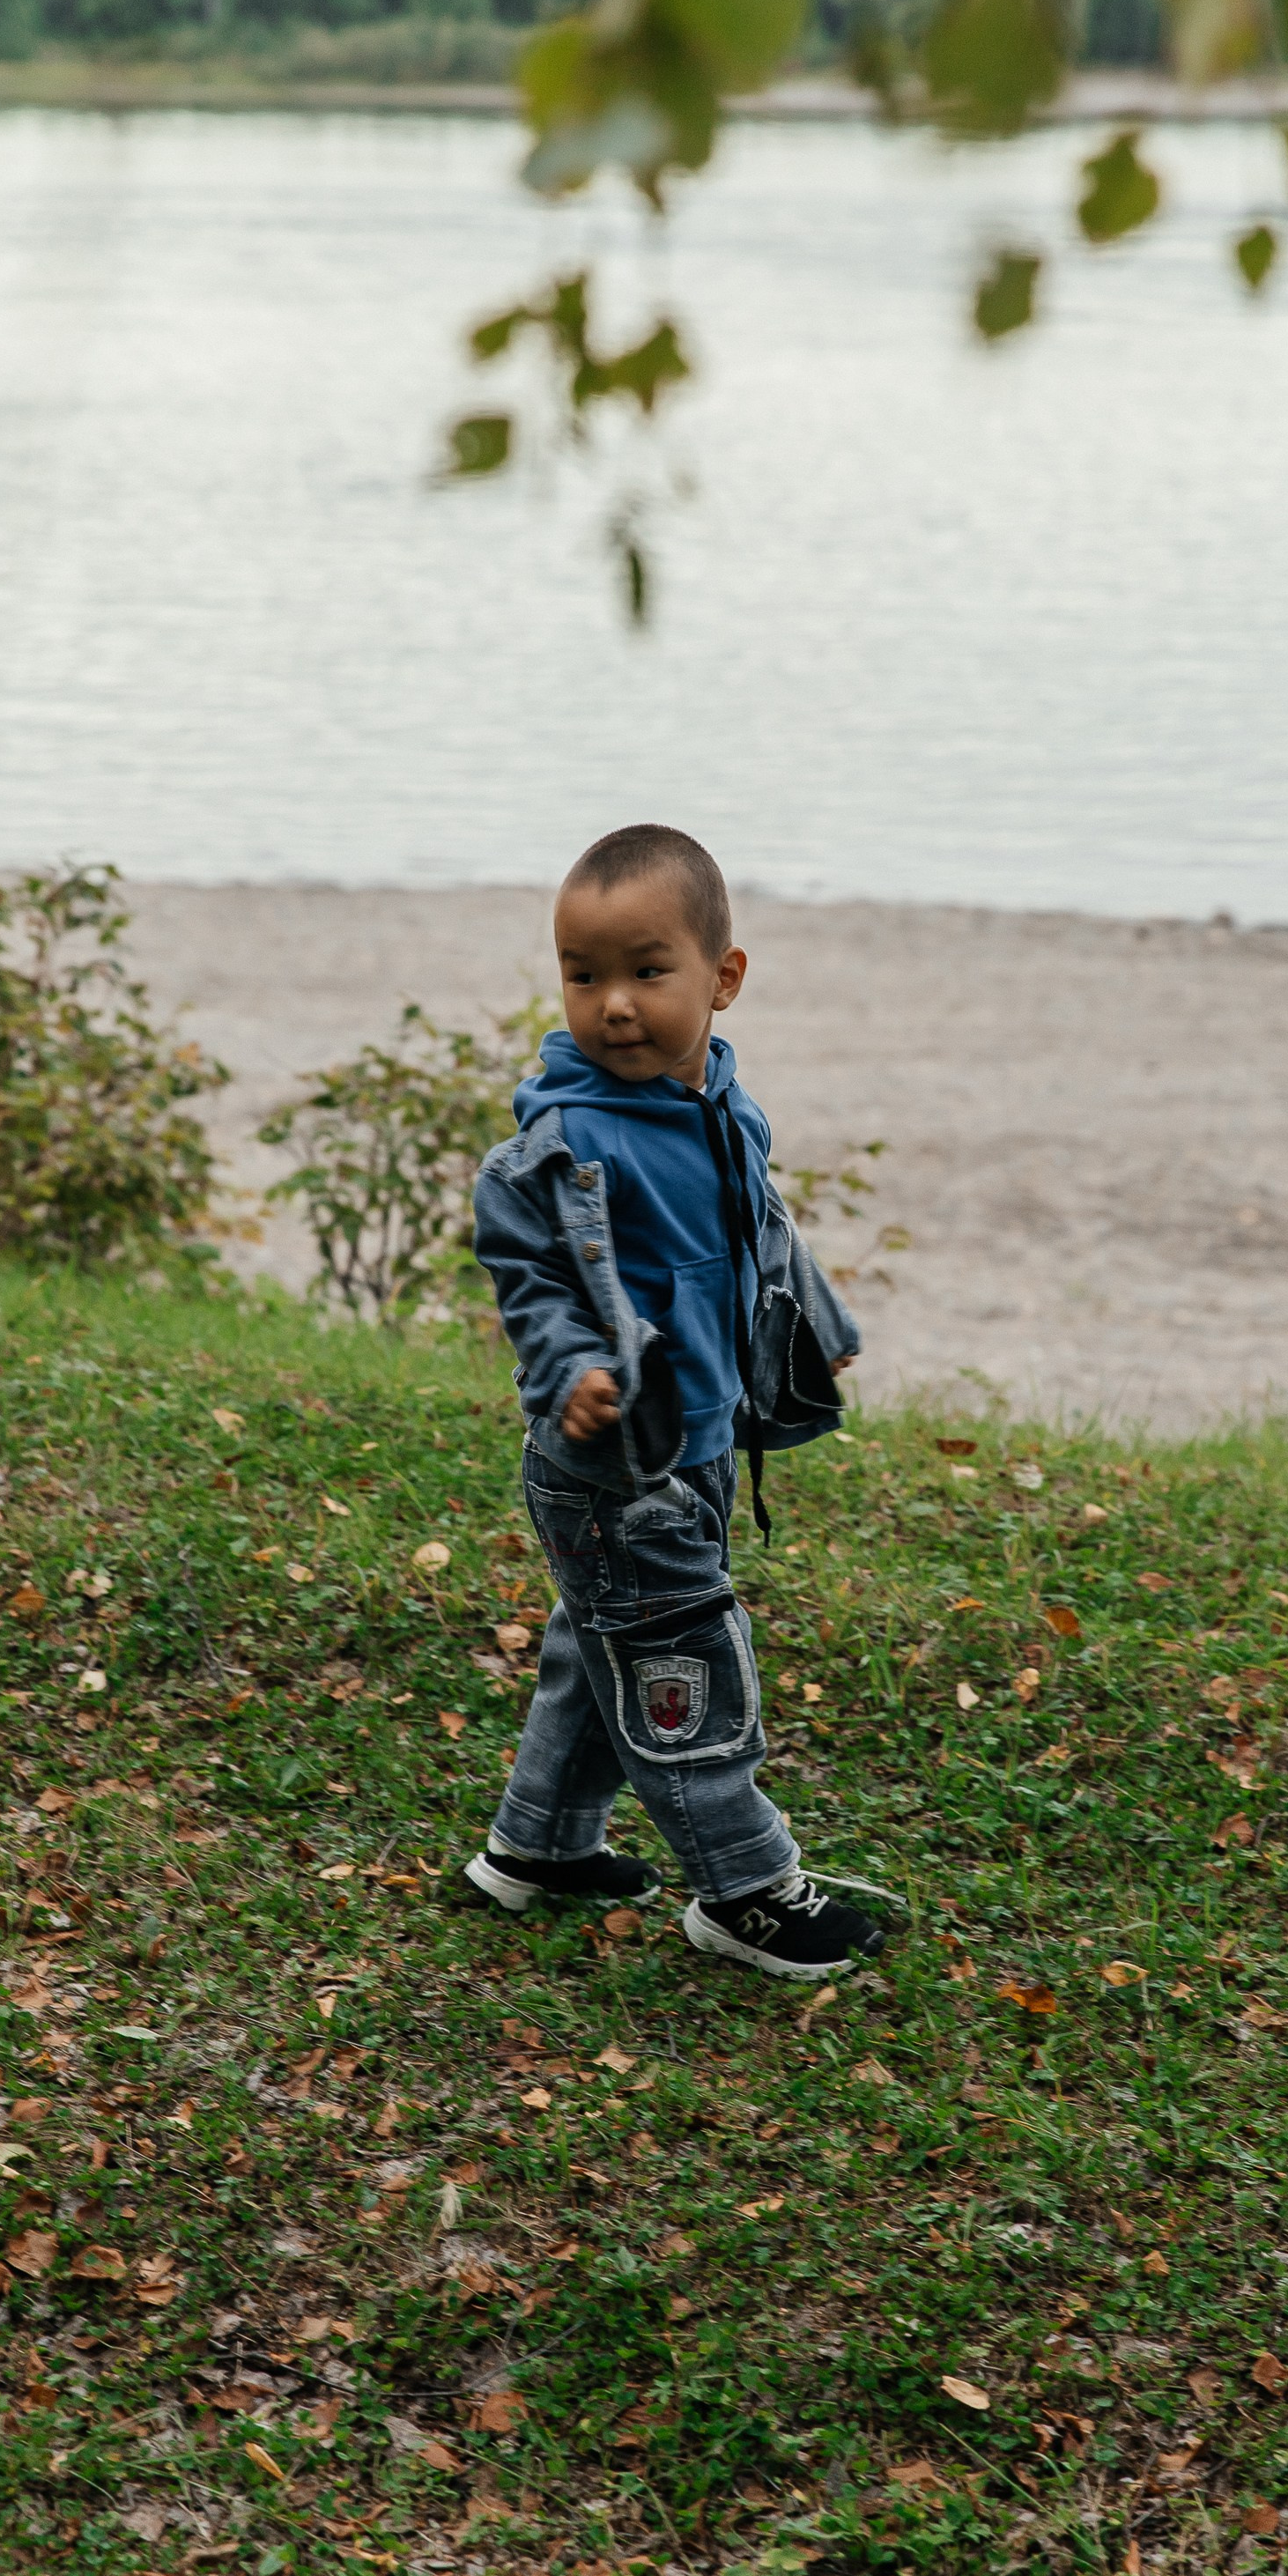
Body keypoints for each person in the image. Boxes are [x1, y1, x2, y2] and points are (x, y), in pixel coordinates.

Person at [463, 822, 886, 1980]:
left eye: (646, 973)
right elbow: (531, 1275)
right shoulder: (570, 1139)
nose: (611, 1006)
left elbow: (761, 1232)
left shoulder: (721, 1105)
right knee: (677, 1662)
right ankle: (742, 1891)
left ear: (722, 978)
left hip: (697, 1436)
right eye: (583, 974)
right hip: (613, 1456)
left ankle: (536, 1848)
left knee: (598, 1638)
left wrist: (816, 1334)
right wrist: (571, 1376)